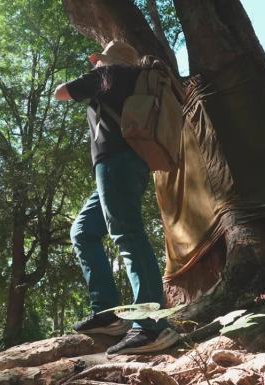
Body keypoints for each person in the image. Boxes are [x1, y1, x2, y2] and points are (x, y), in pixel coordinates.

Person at [54, 41, 179, 355]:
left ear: (107, 62)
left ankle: (152, 326)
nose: (95, 64)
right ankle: (108, 314)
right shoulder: (131, 80)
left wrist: (96, 71)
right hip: (126, 165)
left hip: (115, 162)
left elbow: (61, 91)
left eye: (98, 61)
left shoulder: (108, 75)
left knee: (127, 235)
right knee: (83, 231)